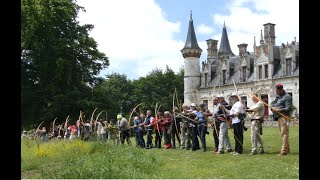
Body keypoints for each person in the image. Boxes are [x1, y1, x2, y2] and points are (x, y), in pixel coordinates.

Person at [270, 84, 292, 156]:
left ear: (281, 89)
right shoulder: (278, 97)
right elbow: (272, 103)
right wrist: (273, 107)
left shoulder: (287, 97)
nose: (276, 92)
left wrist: (279, 109)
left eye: (277, 91)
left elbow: (288, 108)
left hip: (284, 117)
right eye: (275, 91)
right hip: (279, 117)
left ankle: (284, 151)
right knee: (282, 134)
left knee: (284, 134)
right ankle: (287, 149)